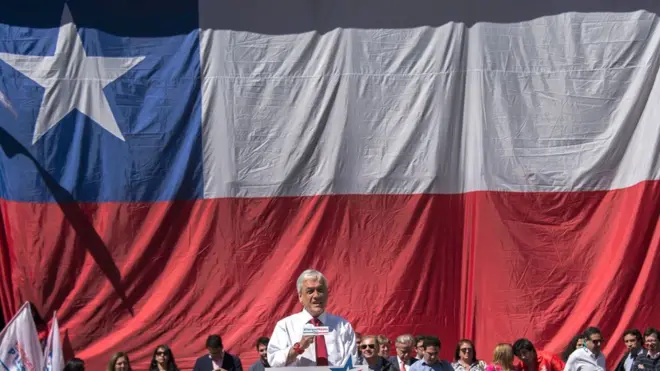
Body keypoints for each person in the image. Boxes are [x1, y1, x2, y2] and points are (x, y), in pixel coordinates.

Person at [267, 269, 357, 367]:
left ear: (327, 294)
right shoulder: (285, 326)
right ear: (300, 296)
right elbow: (274, 361)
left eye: (320, 290)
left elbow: (351, 362)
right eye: (310, 291)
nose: (316, 296)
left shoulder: (343, 326)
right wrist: (298, 347)